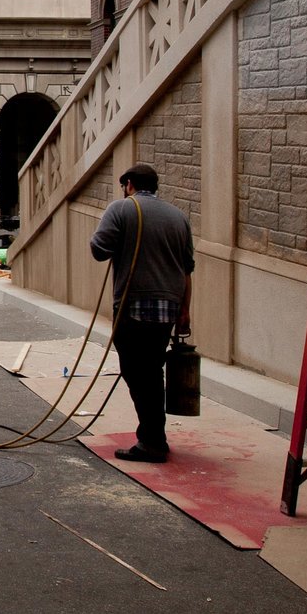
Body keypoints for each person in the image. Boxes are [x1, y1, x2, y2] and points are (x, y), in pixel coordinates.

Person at [87, 165, 195, 462]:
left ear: (129, 185)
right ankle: (154, 436)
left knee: (137, 373)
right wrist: (185, 310)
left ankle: (152, 442)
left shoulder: (121, 209)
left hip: (135, 306)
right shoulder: (178, 216)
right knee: (151, 371)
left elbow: (99, 250)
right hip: (169, 308)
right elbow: (186, 268)